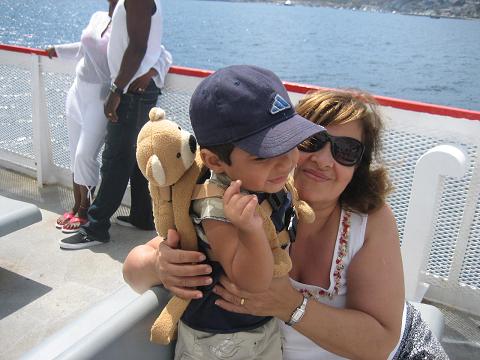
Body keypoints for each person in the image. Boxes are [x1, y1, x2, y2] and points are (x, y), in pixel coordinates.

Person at [123, 89, 448, 359]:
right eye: (311, 141)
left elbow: (381, 343)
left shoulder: (368, 220)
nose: (324, 159)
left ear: (358, 165)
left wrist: (291, 306)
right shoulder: (241, 204)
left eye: (346, 150)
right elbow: (133, 272)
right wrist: (160, 265)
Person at [166, 65, 323, 359]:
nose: (286, 162)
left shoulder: (262, 183)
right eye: (264, 155)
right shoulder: (219, 206)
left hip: (259, 325)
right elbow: (252, 283)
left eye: (290, 143)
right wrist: (251, 230)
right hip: (219, 339)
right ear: (214, 160)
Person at [60, 0, 172, 249]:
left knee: (116, 160)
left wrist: (116, 88)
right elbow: (145, 44)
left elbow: (138, 47)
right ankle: (143, 216)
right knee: (135, 157)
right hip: (134, 88)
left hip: (131, 91)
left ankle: (96, 227)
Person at [47, 0, 119, 233]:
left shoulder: (128, 27)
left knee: (84, 155)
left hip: (100, 99)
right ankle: (76, 204)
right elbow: (83, 48)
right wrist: (57, 51)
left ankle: (85, 211)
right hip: (77, 92)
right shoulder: (98, 16)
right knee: (73, 153)